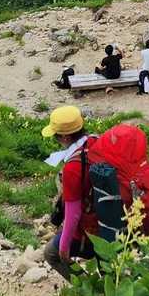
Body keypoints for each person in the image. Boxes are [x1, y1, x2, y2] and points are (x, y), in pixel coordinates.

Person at [42, 106, 96, 279]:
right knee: (108, 267)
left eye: (56, 135)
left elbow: (73, 213)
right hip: (113, 222)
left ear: (65, 137)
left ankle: (88, 287)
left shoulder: (72, 167)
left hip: (90, 232)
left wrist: (64, 247)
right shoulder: (96, 141)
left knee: (52, 253)